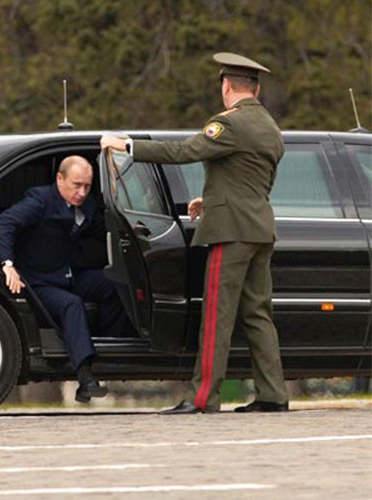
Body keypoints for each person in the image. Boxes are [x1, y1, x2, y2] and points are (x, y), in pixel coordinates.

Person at [101, 52, 289, 414]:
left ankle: (203, 398)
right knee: (258, 315)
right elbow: (255, 180)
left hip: (230, 231)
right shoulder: (269, 126)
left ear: (226, 86)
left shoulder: (228, 124)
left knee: (217, 317)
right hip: (260, 228)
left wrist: (127, 146)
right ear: (257, 88)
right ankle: (273, 394)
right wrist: (212, 196)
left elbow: (184, 150)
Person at [0, 155, 128, 403]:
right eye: (76, 185)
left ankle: (107, 347)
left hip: (69, 275)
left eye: (87, 186)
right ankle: (86, 378)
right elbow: (4, 223)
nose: (82, 192)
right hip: (39, 281)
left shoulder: (88, 205)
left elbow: (104, 229)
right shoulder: (40, 200)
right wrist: (8, 265)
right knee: (71, 304)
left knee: (114, 283)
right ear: (59, 179)